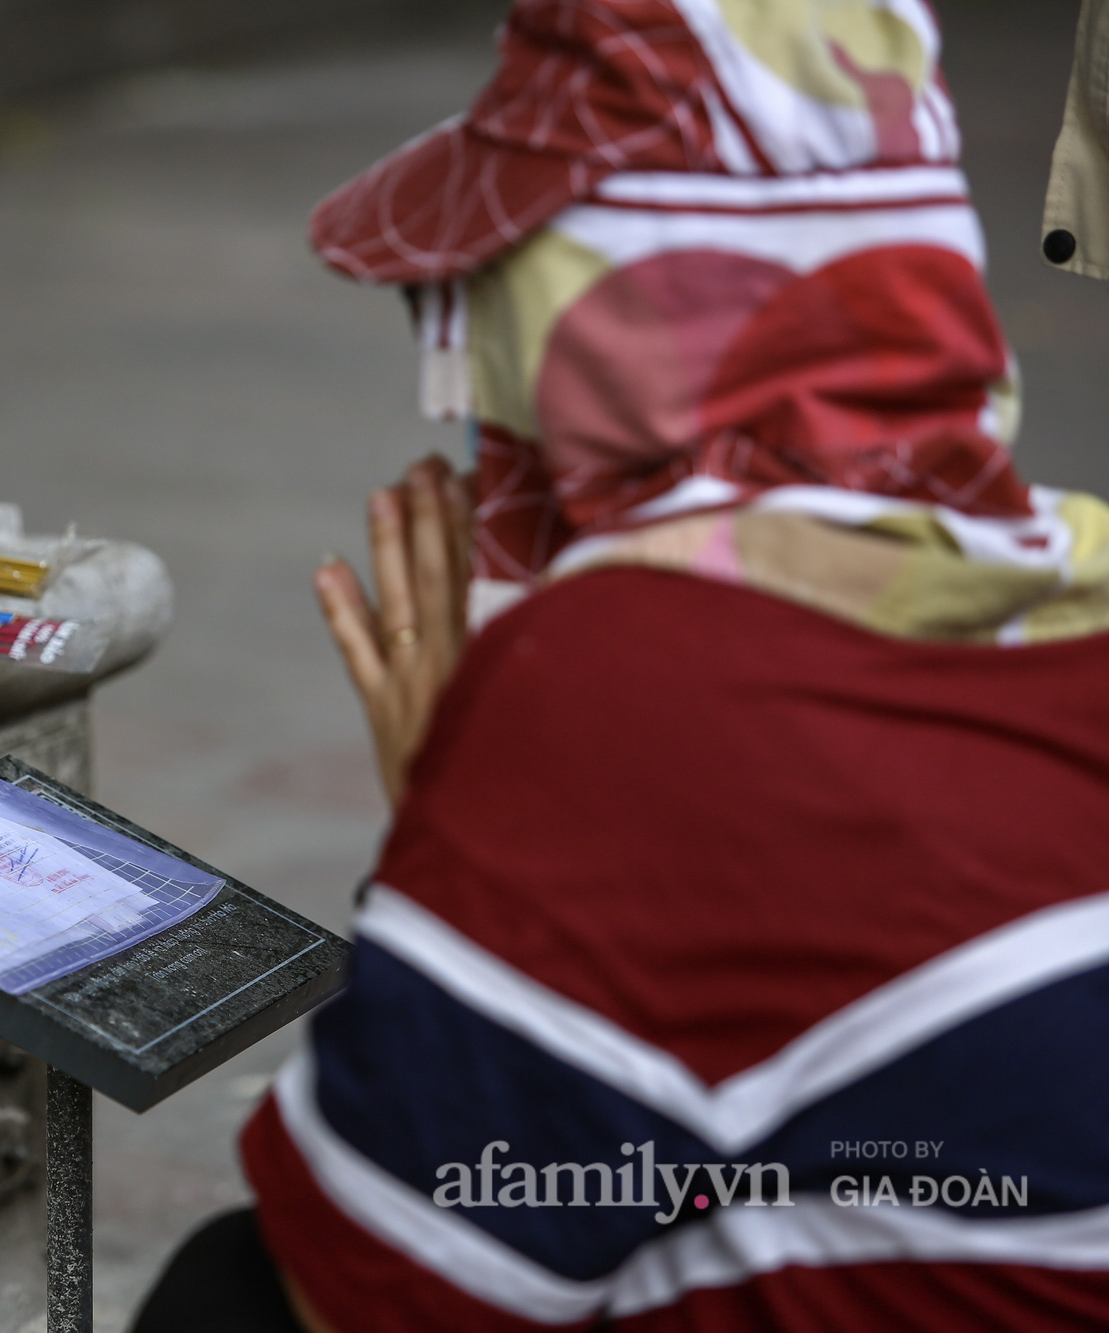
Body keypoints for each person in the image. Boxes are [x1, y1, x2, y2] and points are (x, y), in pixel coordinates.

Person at [134, 1, 1109, 1329]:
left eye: (486, 304)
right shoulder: (1073, 570)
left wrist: (462, 809)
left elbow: (356, 1285)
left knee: (229, 1295)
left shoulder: (638, 684)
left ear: (593, 331)